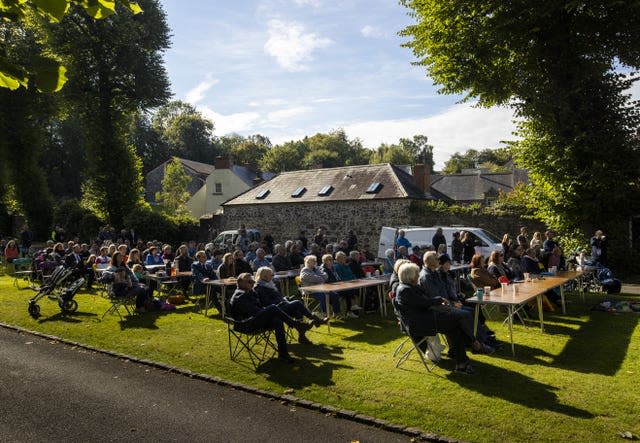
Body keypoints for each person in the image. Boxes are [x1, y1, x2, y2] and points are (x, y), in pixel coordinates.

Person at [395, 262, 493, 375]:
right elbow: (424, 303)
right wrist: (439, 299)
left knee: (457, 327)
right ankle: (475, 344)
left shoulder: (410, 287)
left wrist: (438, 300)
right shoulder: (404, 290)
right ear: (410, 277)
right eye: (416, 274)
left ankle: (462, 363)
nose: (418, 276)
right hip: (422, 324)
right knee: (461, 317)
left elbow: (426, 300)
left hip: (428, 318)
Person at [229, 273, 313, 363]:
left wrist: (269, 310)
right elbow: (254, 312)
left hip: (256, 319)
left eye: (253, 281)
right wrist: (268, 311)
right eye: (250, 282)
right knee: (273, 308)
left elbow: (260, 308)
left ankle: (283, 354)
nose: (252, 283)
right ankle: (297, 325)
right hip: (246, 324)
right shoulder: (240, 295)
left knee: (277, 320)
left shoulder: (250, 291)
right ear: (240, 283)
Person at [254, 266, 327, 344]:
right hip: (275, 310)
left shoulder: (269, 284)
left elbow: (278, 297)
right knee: (297, 303)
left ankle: (302, 337)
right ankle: (316, 319)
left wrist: (283, 299)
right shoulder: (260, 287)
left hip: (281, 306)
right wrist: (281, 301)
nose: (273, 276)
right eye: (271, 275)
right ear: (264, 276)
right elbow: (266, 302)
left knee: (297, 313)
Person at [334, 251, 362, 316]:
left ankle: (354, 305)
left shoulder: (346, 266)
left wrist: (354, 279)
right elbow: (341, 277)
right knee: (348, 292)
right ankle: (349, 311)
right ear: (338, 259)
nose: (344, 259)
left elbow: (352, 274)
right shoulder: (337, 267)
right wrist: (351, 280)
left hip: (350, 284)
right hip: (341, 286)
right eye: (343, 258)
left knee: (356, 289)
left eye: (344, 258)